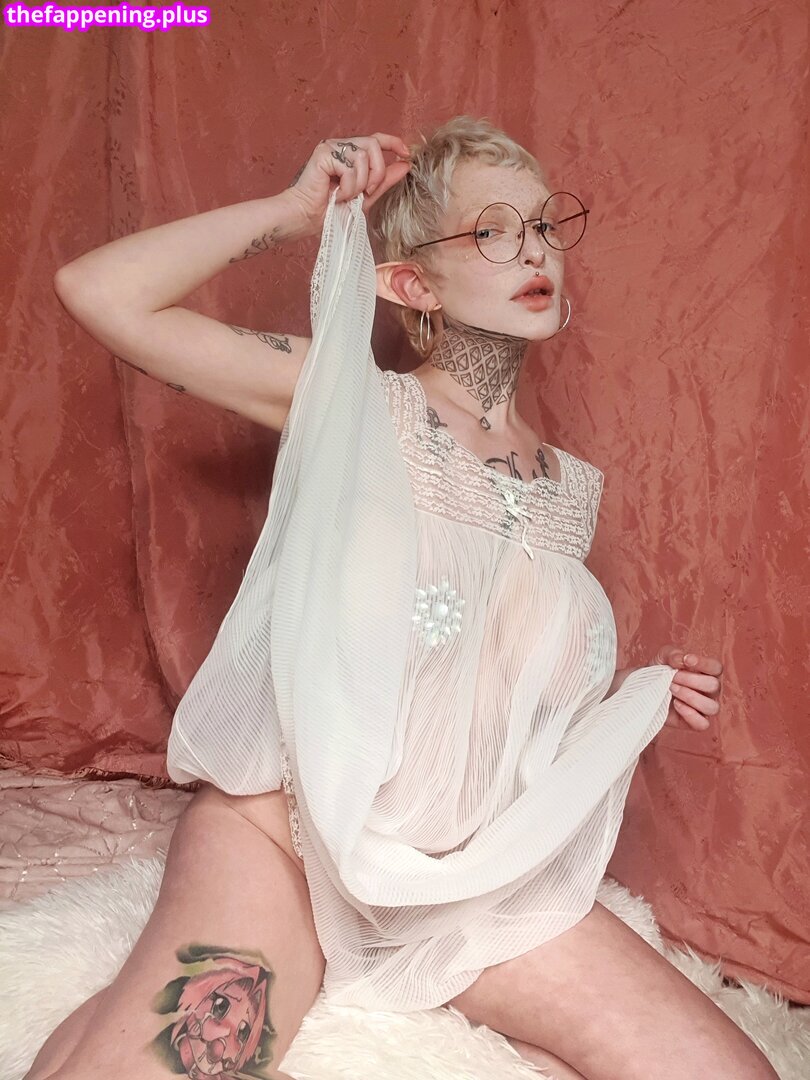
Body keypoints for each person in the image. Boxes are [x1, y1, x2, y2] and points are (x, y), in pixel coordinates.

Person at [29, 117, 775, 1080]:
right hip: (288, 845)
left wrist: (637, 688)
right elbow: (98, 292)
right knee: (171, 1067)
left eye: (543, 225)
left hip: (464, 883)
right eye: (491, 231)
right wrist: (295, 211)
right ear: (412, 286)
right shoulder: (350, 400)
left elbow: (472, 688)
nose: (534, 250)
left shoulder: (566, 491)